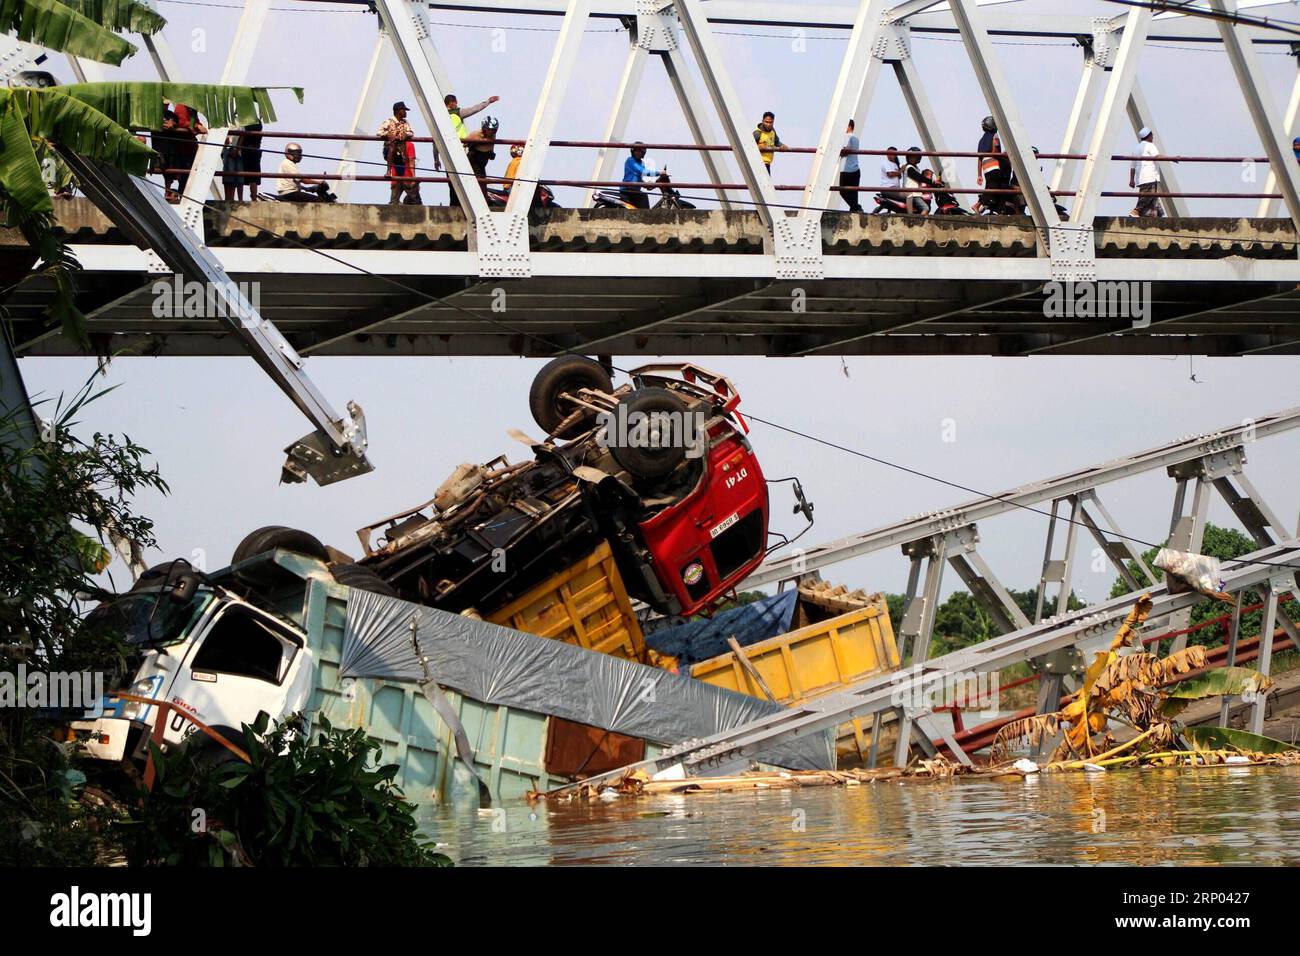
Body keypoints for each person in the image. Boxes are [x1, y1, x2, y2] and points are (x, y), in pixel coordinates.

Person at [444, 92, 499, 206]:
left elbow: (437, 137)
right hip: (461, 150)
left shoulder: (440, 117)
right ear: (452, 103)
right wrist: (488, 102)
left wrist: (436, 156)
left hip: (449, 151)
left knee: (453, 179)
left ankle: (455, 204)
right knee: (469, 178)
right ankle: (472, 203)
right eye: (455, 102)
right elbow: (474, 109)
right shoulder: (457, 113)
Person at [378, 101, 421, 205]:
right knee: (393, 146)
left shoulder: (405, 123)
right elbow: (379, 132)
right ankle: (388, 170)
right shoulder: (389, 121)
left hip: (401, 152)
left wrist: (405, 135)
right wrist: (388, 134)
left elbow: (411, 133)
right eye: (404, 110)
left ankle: (399, 200)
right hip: (390, 149)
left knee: (401, 175)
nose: (405, 112)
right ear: (398, 111)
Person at [975, 115, 1007, 213]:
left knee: (990, 187)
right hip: (994, 166)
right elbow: (995, 151)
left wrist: (979, 175)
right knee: (995, 187)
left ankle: (986, 209)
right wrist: (1003, 155)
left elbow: (979, 159)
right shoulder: (995, 136)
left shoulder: (981, 140)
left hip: (986, 168)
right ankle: (978, 205)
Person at [1129, 126, 1163, 218]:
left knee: (1152, 201)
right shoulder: (1150, 145)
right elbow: (1157, 156)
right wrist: (1172, 159)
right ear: (1149, 136)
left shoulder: (1136, 148)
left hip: (1141, 178)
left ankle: (1158, 215)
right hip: (1150, 177)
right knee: (1147, 196)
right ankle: (1135, 211)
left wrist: (1131, 180)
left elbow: (1132, 167)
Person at [464, 116, 499, 201]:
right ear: (484, 128)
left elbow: (491, 147)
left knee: (482, 180)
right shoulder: (475, 134)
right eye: (488, 129)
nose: (490, 132)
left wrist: (491, 153)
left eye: (493, 130)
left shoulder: (493, 136)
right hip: (474, 157)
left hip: (483, 159)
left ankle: (483, 199)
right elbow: (464, 144)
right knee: (479, 179)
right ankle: (480, 200)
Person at [838, 119, 862, 213]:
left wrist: (838, 151)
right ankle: (855, 208)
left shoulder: (847, 137)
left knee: (842, 191)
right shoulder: (856, 138)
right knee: (853, 193)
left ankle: (856, 208)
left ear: (849, 126)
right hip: (856, 169)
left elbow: (845, 151)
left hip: (846, 169)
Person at [621, 142, 652, 209]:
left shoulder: (642, 163)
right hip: (627, 189)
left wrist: (647, 185)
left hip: (635, 191)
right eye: (636, 151)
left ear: (643, 153)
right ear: (633, 151)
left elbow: (640, 179)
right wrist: (658, 173)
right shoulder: (630, 160)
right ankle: (647, 217)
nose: (638, 153)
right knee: (643, 196)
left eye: (640, 151)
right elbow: (641, 171)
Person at [220, 130, 245, 202]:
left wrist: (237, 149)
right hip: (228, 147)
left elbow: (242, 134)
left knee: (237, 174)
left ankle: (237, 199)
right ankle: (229, 199)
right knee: (229, 173)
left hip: (236, 148)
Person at [903, 147, 929, 214]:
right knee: (926, 208)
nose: (911, 158)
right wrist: (931, 182)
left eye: (914, 157)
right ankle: (918, 223)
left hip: (916, 193)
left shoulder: (916, 168)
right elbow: (918, 177)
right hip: (913, 194)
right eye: (910, 157)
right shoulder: (909, 168)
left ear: (918, 158)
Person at [241, 121, 264, 199]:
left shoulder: (246, 123)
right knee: (253, 177)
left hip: (246, 150)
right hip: (255, 149)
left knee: (240, 175)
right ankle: (254, 197)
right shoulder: (258, 123)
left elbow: (243, 135)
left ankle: (242, 197)